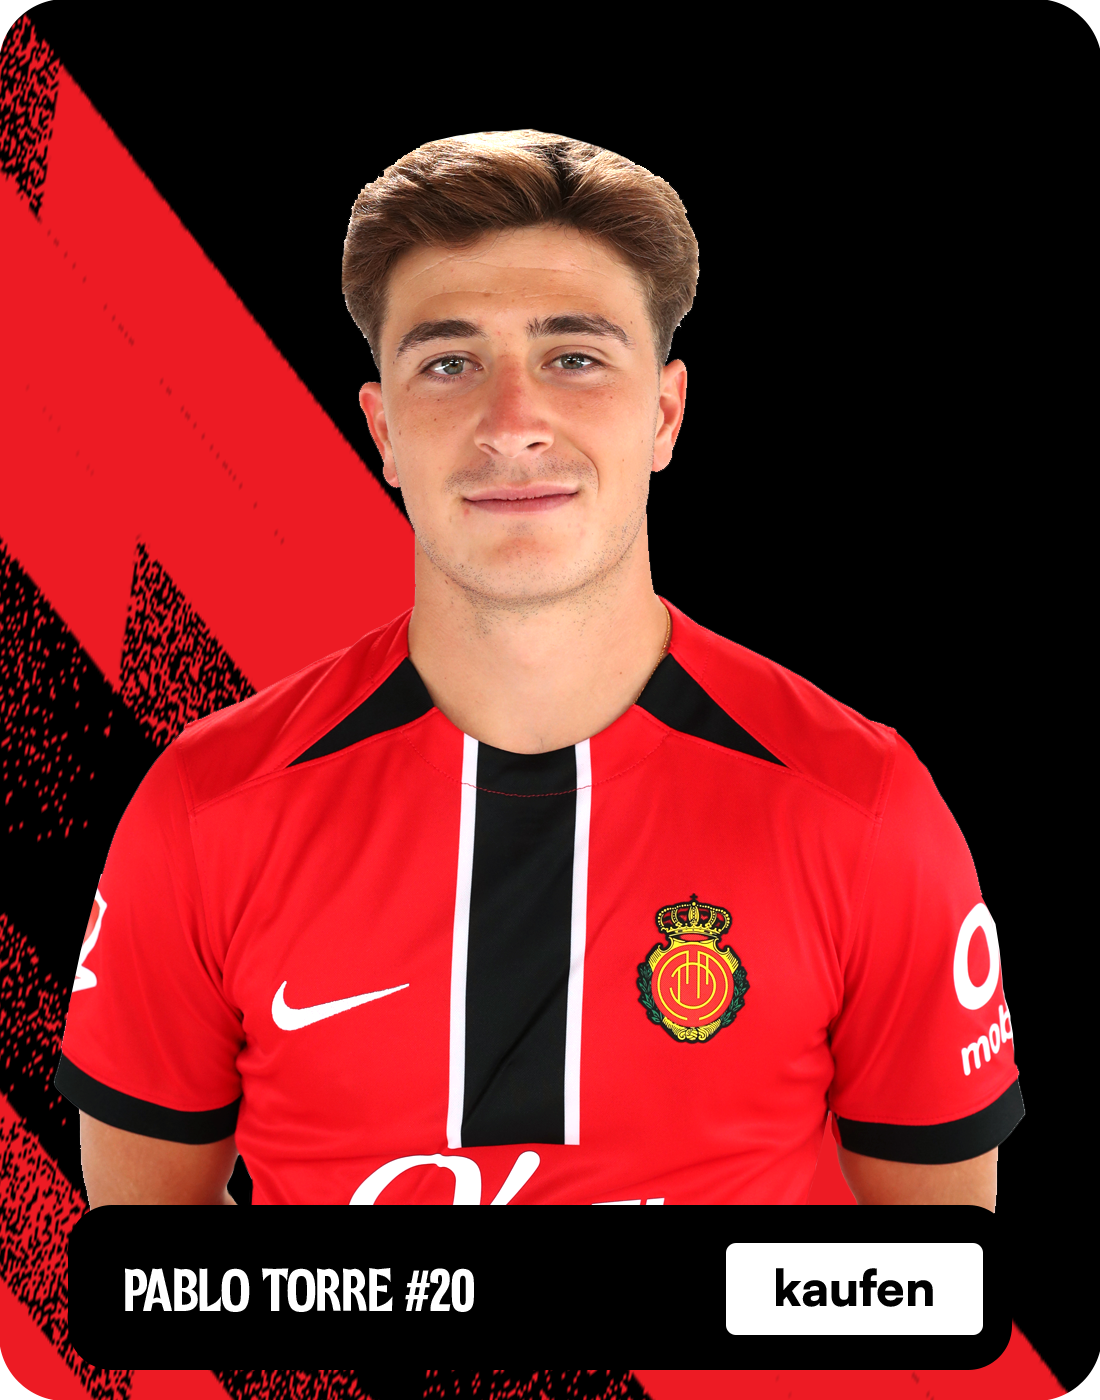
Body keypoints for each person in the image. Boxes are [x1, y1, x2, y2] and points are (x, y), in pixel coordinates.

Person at [56, 130, 1022, 1207]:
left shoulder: (863, 806)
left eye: (574, 358)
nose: (512, 425)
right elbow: (150, 1276)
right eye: (448, 363)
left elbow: (933, 1279)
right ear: (382, 430)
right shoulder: (206, 809)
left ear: (664, 414)